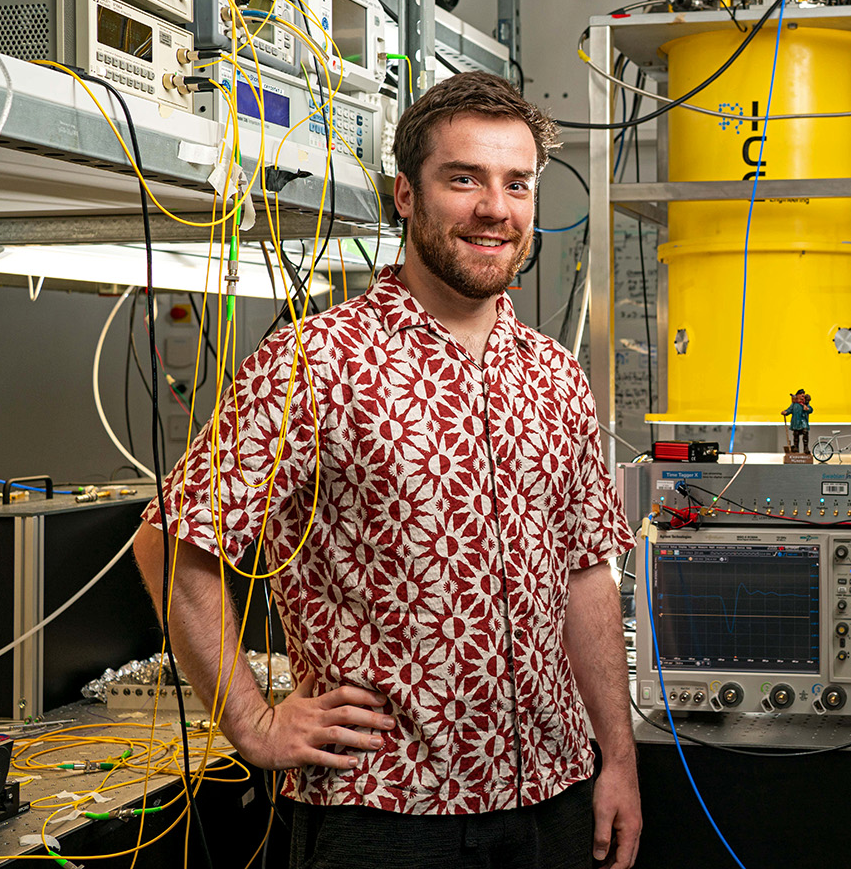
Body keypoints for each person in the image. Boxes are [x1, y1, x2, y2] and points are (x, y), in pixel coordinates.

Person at [133, 72, 642, 869]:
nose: (495, 208)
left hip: (553, 800)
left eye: (517, 184)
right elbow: (171, 541)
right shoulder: (319, 360)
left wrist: (618, 758)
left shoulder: (555, 375)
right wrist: (254, 721)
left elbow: (587, 576)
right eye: (463, 178)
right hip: (384, 813)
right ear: (406, 195)